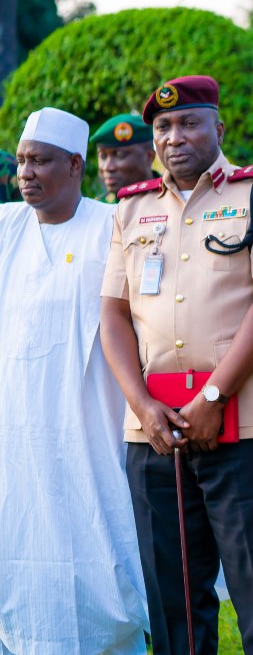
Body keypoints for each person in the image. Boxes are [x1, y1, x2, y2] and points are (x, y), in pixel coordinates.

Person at [100, 75, 253, 655]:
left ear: (218, 127)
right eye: (163, 127)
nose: (174, 137)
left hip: (240, 425)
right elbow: (113, 315)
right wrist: (142, 404)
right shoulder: (133, 208)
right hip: (154, 431)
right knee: (172, 603)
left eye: (189, 123)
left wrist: (213, 399)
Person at [0, 108, 148, 654]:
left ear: (75, 165)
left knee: (101, 555)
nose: (26, 173)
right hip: (15, 431)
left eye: (40, 161)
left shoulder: (112, 225)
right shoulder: (5, 226)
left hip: (92, 426)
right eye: (21, 161)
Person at [92, 113, 160, 202]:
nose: (108, 167)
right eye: (103, 156)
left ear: (149, 157)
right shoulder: (100, 209)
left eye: (119, 155)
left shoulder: (173, 200)